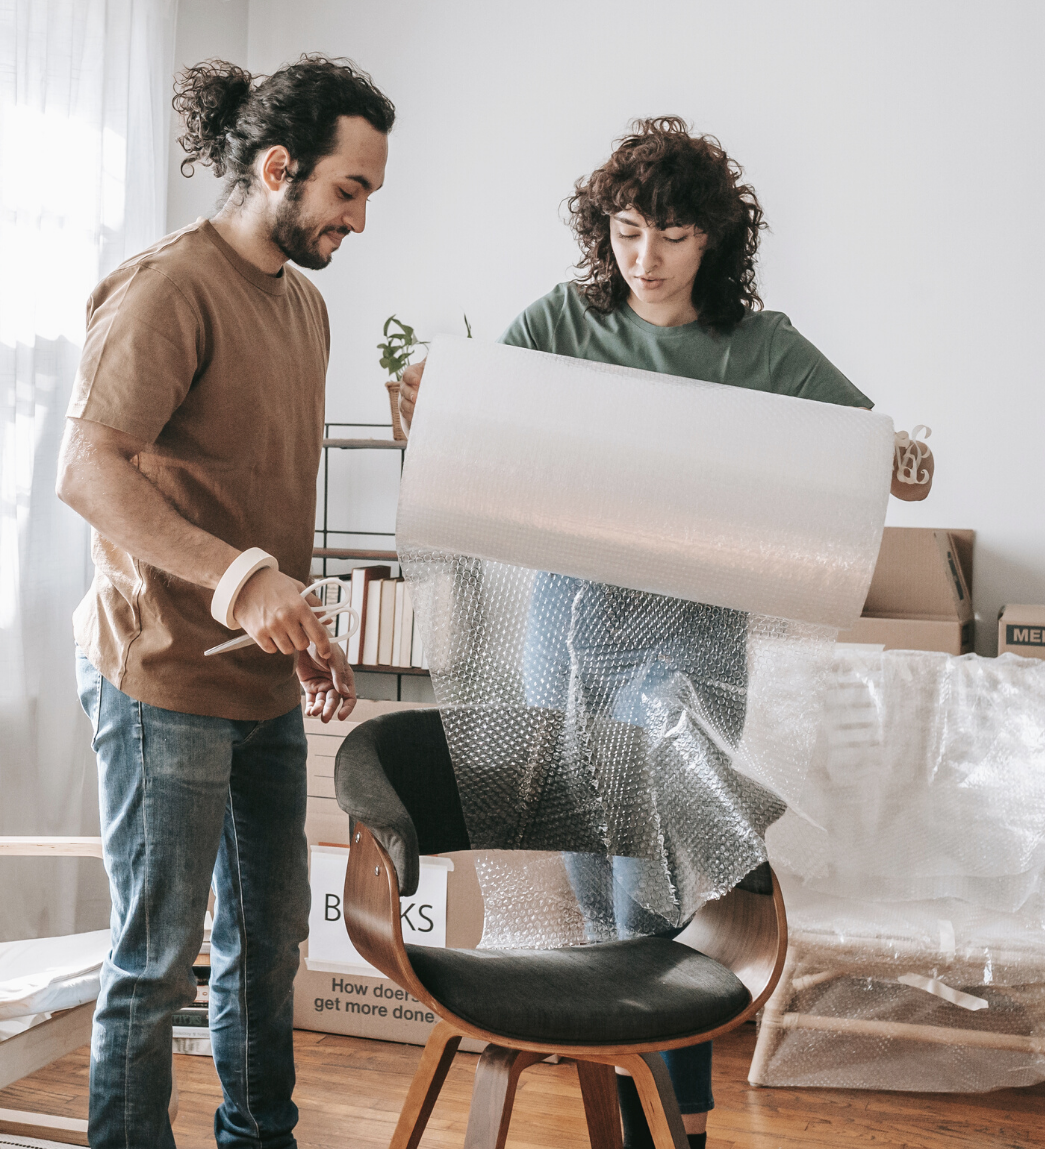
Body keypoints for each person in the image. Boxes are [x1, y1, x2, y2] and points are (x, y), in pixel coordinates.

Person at [397, 115, 929, 1149]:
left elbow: (860, 452)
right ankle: (633, 1107)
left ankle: (675, 1112)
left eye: (670, 236)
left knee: (671, 863)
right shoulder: (563, 318)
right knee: (593, 863)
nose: (643, 259)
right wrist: (429, 407)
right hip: (568, 613)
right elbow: (480, 437)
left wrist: (902, 460)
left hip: (692, 630)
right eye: (626, 231)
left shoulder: (757, 346)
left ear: (713, 241)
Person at [55, 54, 394, 1149]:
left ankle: (261, 1138)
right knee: (156, 961)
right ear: (277, 166)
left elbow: (248, 487)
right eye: (348, 190)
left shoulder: (301, 309)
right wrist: (242, 578)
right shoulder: (167, 287)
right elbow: (90, 473)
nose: (358, 218)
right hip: (159, 677)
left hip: (255, 685)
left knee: (271, 946)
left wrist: (293, 628)